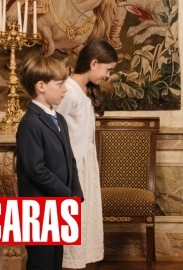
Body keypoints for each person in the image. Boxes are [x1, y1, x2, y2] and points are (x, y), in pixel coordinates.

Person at [16, 53, 83, 270]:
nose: (65, 90)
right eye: (61, 84)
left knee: (55, 261)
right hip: (38, 209)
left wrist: (76, 193)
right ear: (41, 86)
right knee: (41, 262)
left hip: (59, 205)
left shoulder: (59, 119)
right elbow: (37, 170)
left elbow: (70, 160)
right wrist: (67, 194)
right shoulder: (30, 123)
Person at [57, 39, 118, 269]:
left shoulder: (84, 90)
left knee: (82, 221)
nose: (108, 75)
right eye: (107, 69)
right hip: (72, 165)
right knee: (71, 222)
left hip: (85, 163)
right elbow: (55, 130)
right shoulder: (68, 91)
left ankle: (77, 262)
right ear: (94, 63)